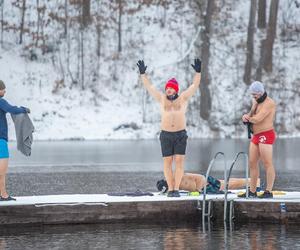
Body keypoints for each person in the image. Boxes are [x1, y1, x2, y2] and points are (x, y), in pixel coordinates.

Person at [137, 59, 201, 197]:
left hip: (180, 135)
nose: (168, 90)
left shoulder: (183, 98)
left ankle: (176, 189)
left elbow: (194, 85)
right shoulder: (162, 98)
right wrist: (143, 74)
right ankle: (170, 188)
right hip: (166, 135)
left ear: (176, 90)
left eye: (171, 88)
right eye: (167, 88)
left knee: (179, 162)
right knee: (167, 162)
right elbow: (150, 87)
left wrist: (198, 72)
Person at [239, 81, 276, 198]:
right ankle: (252, 191)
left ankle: (268, 191)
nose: (253, 96)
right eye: (252, 94)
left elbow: (258, 119)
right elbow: (251, 114)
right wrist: (245, 116)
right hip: (256, 136)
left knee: (267, 163)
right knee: (252, 163)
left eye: (255, 94)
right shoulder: (256, 101)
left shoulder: (269, 103)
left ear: (261, 93)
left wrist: (248, 118)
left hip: (266, 134)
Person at [0, 80, 30, 201]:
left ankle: (3, 194)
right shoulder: (0, 101)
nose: (4, 91)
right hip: (0, 140)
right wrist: (24, 109)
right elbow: (12, 109)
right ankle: (3, 195)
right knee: (2, 170)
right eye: (2, 89)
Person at [156, 173, 260, 193]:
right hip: (202, 180)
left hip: (203, 185)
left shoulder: (175, 179)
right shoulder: (174, 178)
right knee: (226, 183)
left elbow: (189, 180)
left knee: (227, 185)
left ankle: (253, 182)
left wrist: (198, 188)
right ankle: (253, 181)